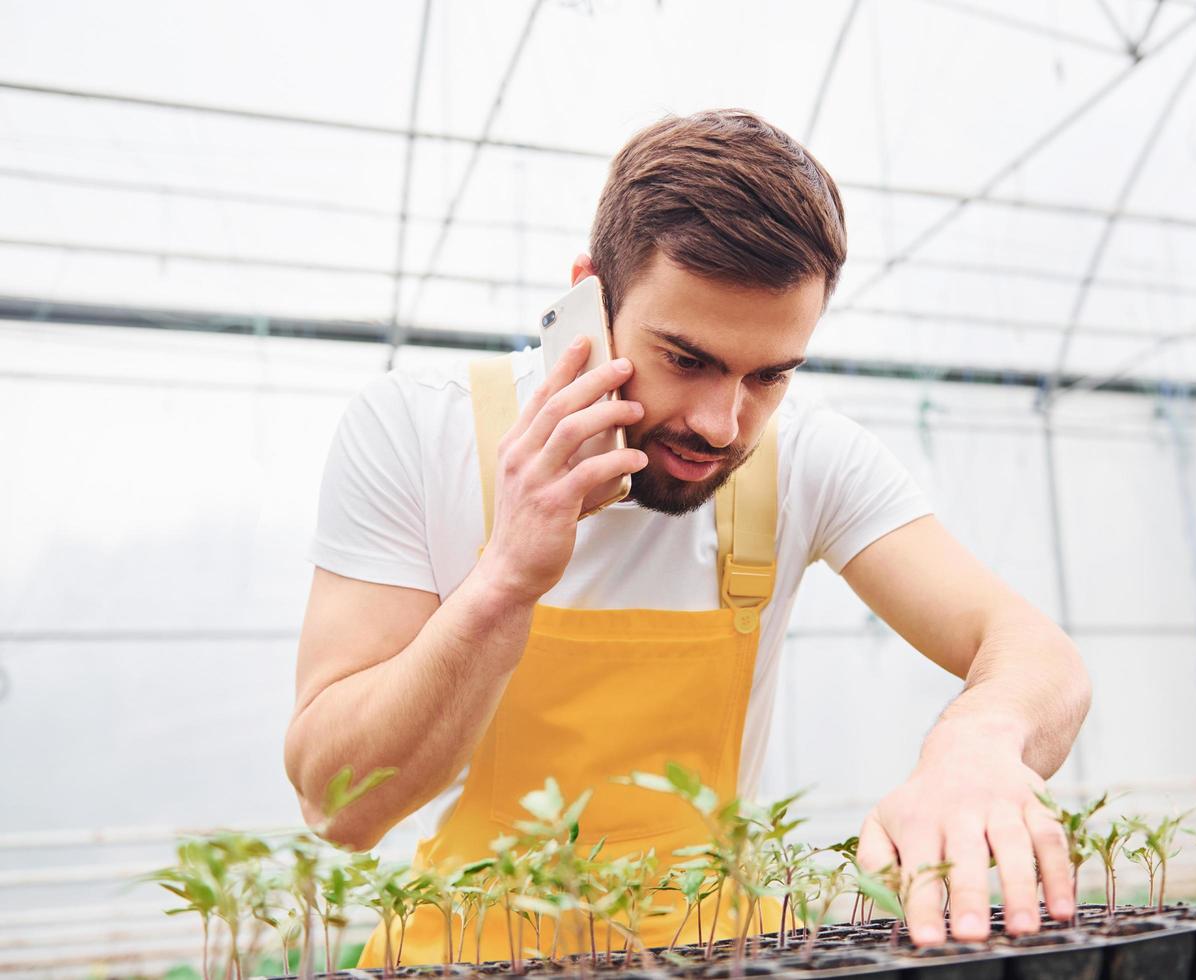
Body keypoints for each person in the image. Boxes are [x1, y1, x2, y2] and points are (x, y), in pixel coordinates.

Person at [284, 109, 1091, 967]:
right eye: (687, 358)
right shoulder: (420, 430)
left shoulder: (809, 458)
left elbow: (1038, 655)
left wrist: (975, 744)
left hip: (710, 954)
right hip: (467, 955)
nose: (720, 424)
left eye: (769, 375)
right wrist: (505, 579)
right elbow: (340, 805)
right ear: (589, 298)